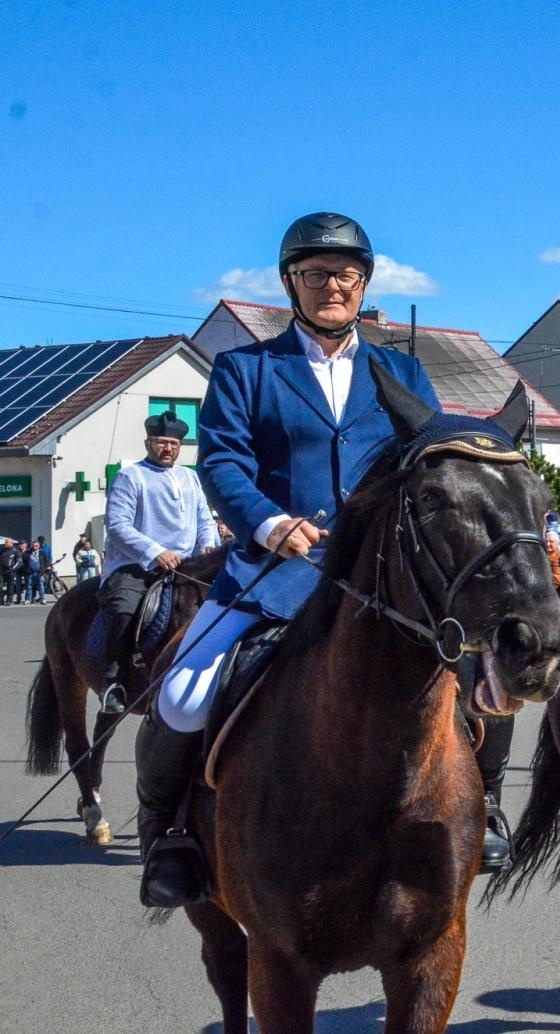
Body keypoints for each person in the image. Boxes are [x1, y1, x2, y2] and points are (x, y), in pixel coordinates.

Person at [133, 212, 518, 908]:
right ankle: (169, 836)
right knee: (183, 695)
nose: (331, 286)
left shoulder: (400, 371)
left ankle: (485, 809)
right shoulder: (246, 369)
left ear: (363, 283)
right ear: (291, 284)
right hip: (276, 572)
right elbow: (221, 459)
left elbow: (426, 464)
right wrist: (268, 522)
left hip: (384, 577)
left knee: (488, 684)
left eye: (345, 274)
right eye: (315, 274)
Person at [95, 411, 220, 715]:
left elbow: (205, 519)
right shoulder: (130, 476)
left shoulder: (190, 477)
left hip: (188, 565)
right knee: (124, 605)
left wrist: (208, 545)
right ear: (148, 443)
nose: (168, 449)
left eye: (174, 444)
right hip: (137, 565)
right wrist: (155, 552)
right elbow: (118, 524)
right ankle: (113, 680)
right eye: (162, 443)